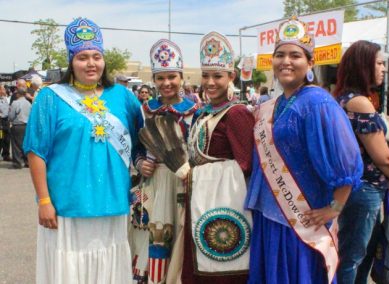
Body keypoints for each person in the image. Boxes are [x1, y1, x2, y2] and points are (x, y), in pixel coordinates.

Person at [23, 17, 143, 284]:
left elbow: (143, 139)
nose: (91, 63)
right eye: (82, 57)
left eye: (96, 56)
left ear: (104, 61)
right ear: (71, 62)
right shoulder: (50, 97)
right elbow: (36, 152)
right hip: (66, 206)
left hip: (112, 203)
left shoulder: (123, 97)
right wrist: (44, 201)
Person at [245, 16, 363, 284]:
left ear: (310, 63)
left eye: (295, 55)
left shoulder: (318, 103)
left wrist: (335, 207)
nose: (286, 61)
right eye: (280, 55)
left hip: (300, 221)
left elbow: (345, 162)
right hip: (270, 216)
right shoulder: (273, 104)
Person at [181, 31, 255, 283]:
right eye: (205, 75)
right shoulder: (204, 112)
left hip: (225, 202)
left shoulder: (237, 114)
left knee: (222, 267)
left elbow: (247, 165)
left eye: (217, 76)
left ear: (232, 76)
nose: (210, 82)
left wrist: (200, 174)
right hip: (200, 199)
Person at [129, 39, 199, 284]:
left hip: (184, 184)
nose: (166, 83)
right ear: (154, 80)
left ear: (181, 76)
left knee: (181, 237)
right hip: (152, 185)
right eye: (160, 78)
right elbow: (135, 147)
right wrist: (140, 163)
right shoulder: (145, 110)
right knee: (153, 238)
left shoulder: (195, 110)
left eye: (172, 77)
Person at [333, 40, 389, 284]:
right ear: (363, 65)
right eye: (380, 63)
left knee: (360, 253)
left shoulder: (343, 98)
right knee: (353, 257)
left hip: (357, 191)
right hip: (364, 190)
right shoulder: (358, 102)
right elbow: (385, 157)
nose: (384, 69)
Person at [9, 88, 31, 169]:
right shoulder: (28, 103)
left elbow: (11, 116)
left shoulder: (15, 103)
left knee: (16, 145)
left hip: (18, 125)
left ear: (18, 94)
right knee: (25, 144)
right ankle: (27, 161)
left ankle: (18, 162)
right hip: (27, 125)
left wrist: (10, 120)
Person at [0, 84, 11, 161]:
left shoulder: (6, 98)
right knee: (0, 138)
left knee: (7, 138)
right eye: (3, 89)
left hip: (6, 120)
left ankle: (6, 155)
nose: (5, 90)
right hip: (0, 121)